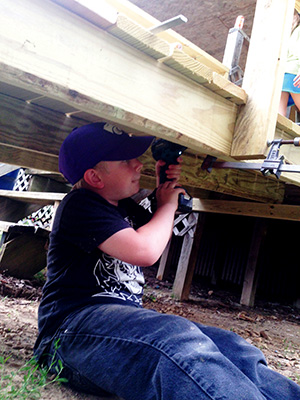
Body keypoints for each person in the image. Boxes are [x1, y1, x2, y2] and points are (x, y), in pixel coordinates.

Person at [34, 122, 300, 400]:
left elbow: (157, 232)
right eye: (126, 160)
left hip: (117, 326)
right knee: (176, 340)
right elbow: (146, 250)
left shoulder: (122, 207)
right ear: (94, 177)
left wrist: (163, 190)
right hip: (70, 333)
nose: (139, 165)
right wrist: (168, 205)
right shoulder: (79, 205)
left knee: (229, 346)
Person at [279, 8, 300, 117]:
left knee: (279, 114)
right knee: (278, 115)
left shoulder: (297, 31)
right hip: (287, 74)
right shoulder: (290, 34)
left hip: (290, 74)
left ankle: (277, 133)